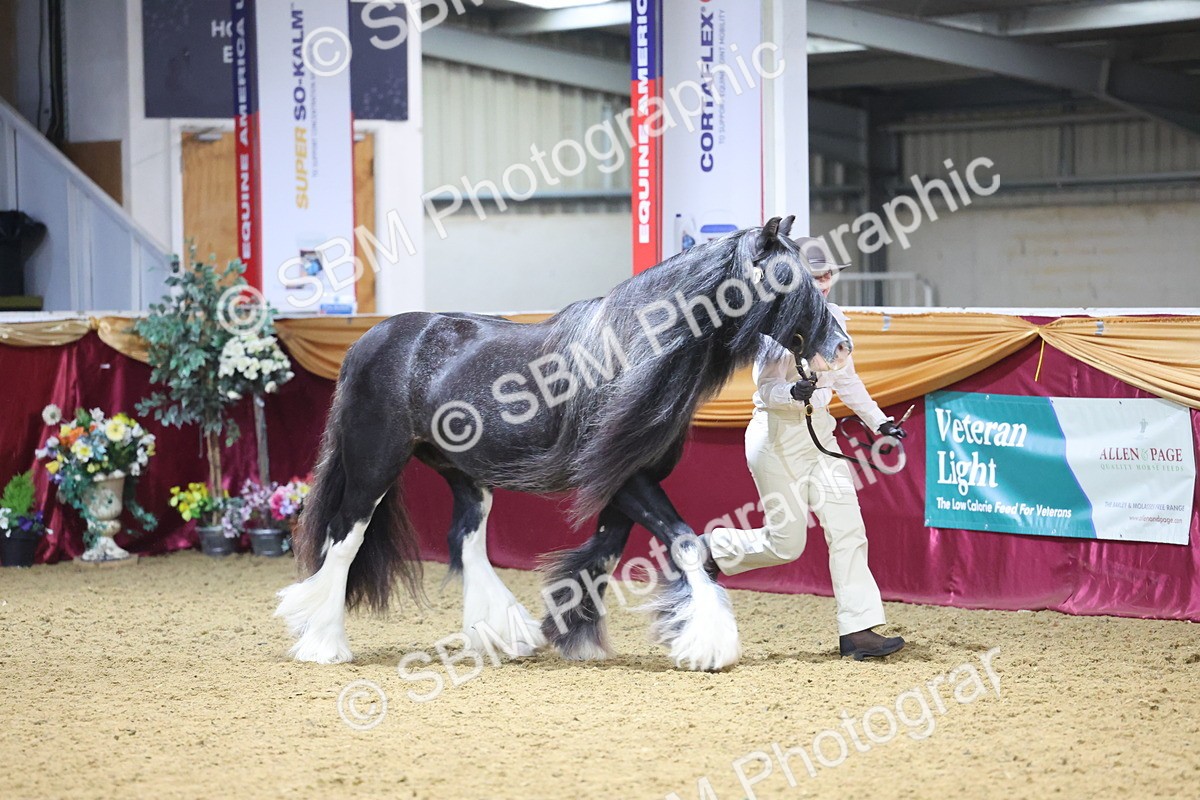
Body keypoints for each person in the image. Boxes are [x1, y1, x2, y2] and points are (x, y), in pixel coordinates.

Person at [700, 238, 908, 660]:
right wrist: (793, 392)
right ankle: (711, 550)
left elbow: (847, 380)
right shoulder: (773, 323)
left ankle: (859, 630)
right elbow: (765, 391)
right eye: (816, 276)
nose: (826, 282)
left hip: (822, 440)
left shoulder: (833, 318)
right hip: (776, 439)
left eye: (829, 273)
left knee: (849, 529)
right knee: (786, 545)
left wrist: (879, 421)